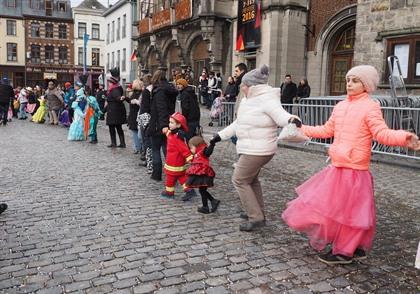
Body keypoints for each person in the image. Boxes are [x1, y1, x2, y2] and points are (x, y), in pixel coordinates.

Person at [282, 65, 420, 265]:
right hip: (338, 167)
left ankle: (345, 251)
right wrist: (302, 127)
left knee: (351, 214)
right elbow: (326, 130)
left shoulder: (370, 106)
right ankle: (352, 247)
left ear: (366, 85)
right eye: (348, 80)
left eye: (355, 80)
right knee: (336, 210)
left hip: (355, 170)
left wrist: (404, 137)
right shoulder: (340, 106)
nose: (349, 84)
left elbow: (381, 133)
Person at [210, 64, 297, 232]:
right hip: (253, 148)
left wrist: (292, 119)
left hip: (258, 149)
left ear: (251, 86)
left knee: (239, 179)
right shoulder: (247, 101)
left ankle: (255, 217)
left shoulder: (266, 99)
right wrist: (219, 136)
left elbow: (281, 115)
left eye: (243, 84)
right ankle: (257, 212)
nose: (241, 87)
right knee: (251, 180)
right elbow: (238, 123)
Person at [146, 70, 178, 181]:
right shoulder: (169, 89)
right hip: (168, 123)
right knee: (167, 150)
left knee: (157, 149)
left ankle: (157, 174)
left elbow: (161, 109)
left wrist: (163, 125)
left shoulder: (159, 91)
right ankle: (173, 172)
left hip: (159, 125)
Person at [160, 112, 196, 200]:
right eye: (169, 122)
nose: (169, 124)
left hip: (174, 164)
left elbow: (185, 150)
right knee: (181, 177)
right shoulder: (172, 134)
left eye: (172, 123)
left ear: (179, 125)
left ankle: (169, 192)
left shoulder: (177, 138)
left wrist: (191, 159)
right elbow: (168, 134)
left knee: (170, 178)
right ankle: (189, 190)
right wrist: (165, 130)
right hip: (174, 163)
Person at [186, 136, 220, 214]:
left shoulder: (202, 151)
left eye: (191, 148)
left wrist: (212, 144)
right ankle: (212, 201)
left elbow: (208, 152)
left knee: (202, 190)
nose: (190, 150)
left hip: (204, 174)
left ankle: (206, 207)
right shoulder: (197, 154)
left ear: (197, 146)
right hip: (200, 174)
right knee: (202, 190)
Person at [105, 67, 126, 148]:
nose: (108, 83)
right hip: (114, 111)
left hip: (114, 112)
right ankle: (120, 143)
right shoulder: (114, 88)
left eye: (109, 82)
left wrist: (120, 98)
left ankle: (117, 143)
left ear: (112, 83)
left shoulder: (114, 89)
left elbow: (117, 97)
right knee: (117, 127)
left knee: (114, 127)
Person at [138, 74, 153, 172]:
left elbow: (144, 106)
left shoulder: (147, 91)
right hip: (149, 116)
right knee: (148, 141)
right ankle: (149, 161)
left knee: (147, 141)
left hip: (146, 117)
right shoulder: (152, 90)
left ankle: (149, 163)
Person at [126, 80, 143, 154]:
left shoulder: (135, 94)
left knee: (135, 132)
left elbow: (132, 102)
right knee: (138, 132)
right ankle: (139, 147)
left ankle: (137, 148)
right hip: (136, 115)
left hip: (134, 115)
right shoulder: (140, 93)